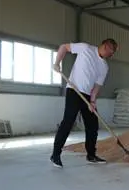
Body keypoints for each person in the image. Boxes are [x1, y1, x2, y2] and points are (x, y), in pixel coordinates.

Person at [50, 38, 117, 168]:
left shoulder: (104, 66)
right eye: (111, 52)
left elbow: (97, 86)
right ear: (105, 47)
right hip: (74, 90)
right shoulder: (86, 48)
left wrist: (92, 101)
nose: (111, 55)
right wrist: (57, 62)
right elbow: (64, 46)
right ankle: (55, 154)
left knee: (92, 125)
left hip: (87, 96)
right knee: (68, 122)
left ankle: (91, 155)